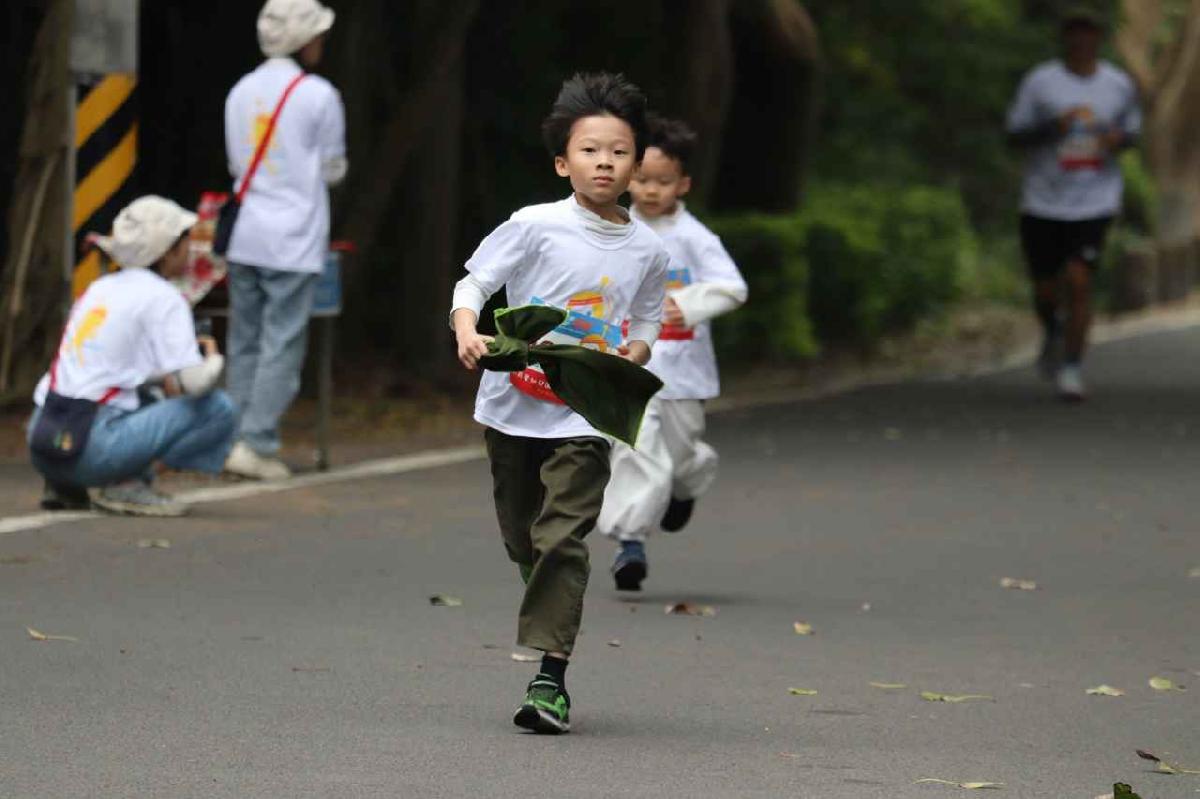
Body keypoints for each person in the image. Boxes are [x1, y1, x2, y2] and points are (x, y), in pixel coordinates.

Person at [450, 73, 668, 734]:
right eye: (590, 150)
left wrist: (633, 353)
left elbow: (648, 323)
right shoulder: (534, 226)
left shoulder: (647, 249)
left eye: (619, 151)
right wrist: (467, 329)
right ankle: (544, 593)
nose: (604, 162)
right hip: (512, 401)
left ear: (637, 163)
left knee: (562, 538)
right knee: (524, 536)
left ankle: (550, 679)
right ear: (561, 161)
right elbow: (475, 281)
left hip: (585, 411)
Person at [597, 116, 747, 591]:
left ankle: (688, 483)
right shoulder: (612, 228)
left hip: (683, 374)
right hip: (628, 366)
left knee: (677, 460)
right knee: (635, 455)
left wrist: (687, 305)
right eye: (641, 179)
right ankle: (630, 545)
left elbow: (731, 286)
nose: (650, 190)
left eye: (662, 182)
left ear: (682, 184)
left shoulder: (694, 237)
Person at [28, 197, 235, 517]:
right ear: (168, 250)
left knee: (145, 395)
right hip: (93, 450)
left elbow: (122, 368)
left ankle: (62, 483)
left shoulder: (99, 288)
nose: (190, 251)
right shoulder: (164, 297)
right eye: (185, 243)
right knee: (219, 409)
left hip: (43, 442)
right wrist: (214, 359)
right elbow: (197, 383)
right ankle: (126, 482)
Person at [222, 0, 347, 479]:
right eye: (317, 34)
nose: (321, 42)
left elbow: (238, 164)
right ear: (302, 40)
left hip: (246, 235)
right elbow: (333, 168)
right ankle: (256, 443)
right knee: (282, 344)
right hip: (293, 238)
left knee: (245, 341)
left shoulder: (239, 92)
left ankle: (231, 437)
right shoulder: (318, 94)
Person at [1006, 6, 1141, 401]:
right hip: (1043, 199)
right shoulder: (1040, 82)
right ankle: (1052, 327)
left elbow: (1132, 134)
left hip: (1094, 199)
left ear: (1099, 38)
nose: (1081, 40)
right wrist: (1053, 128)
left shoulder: (1117, 85)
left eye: (1089, 32)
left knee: (1081, 281)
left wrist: (1118, 141)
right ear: (1065, 38)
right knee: (1045, 287)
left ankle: (1072, 368)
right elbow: (1014, 135)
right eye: (1074, 32)